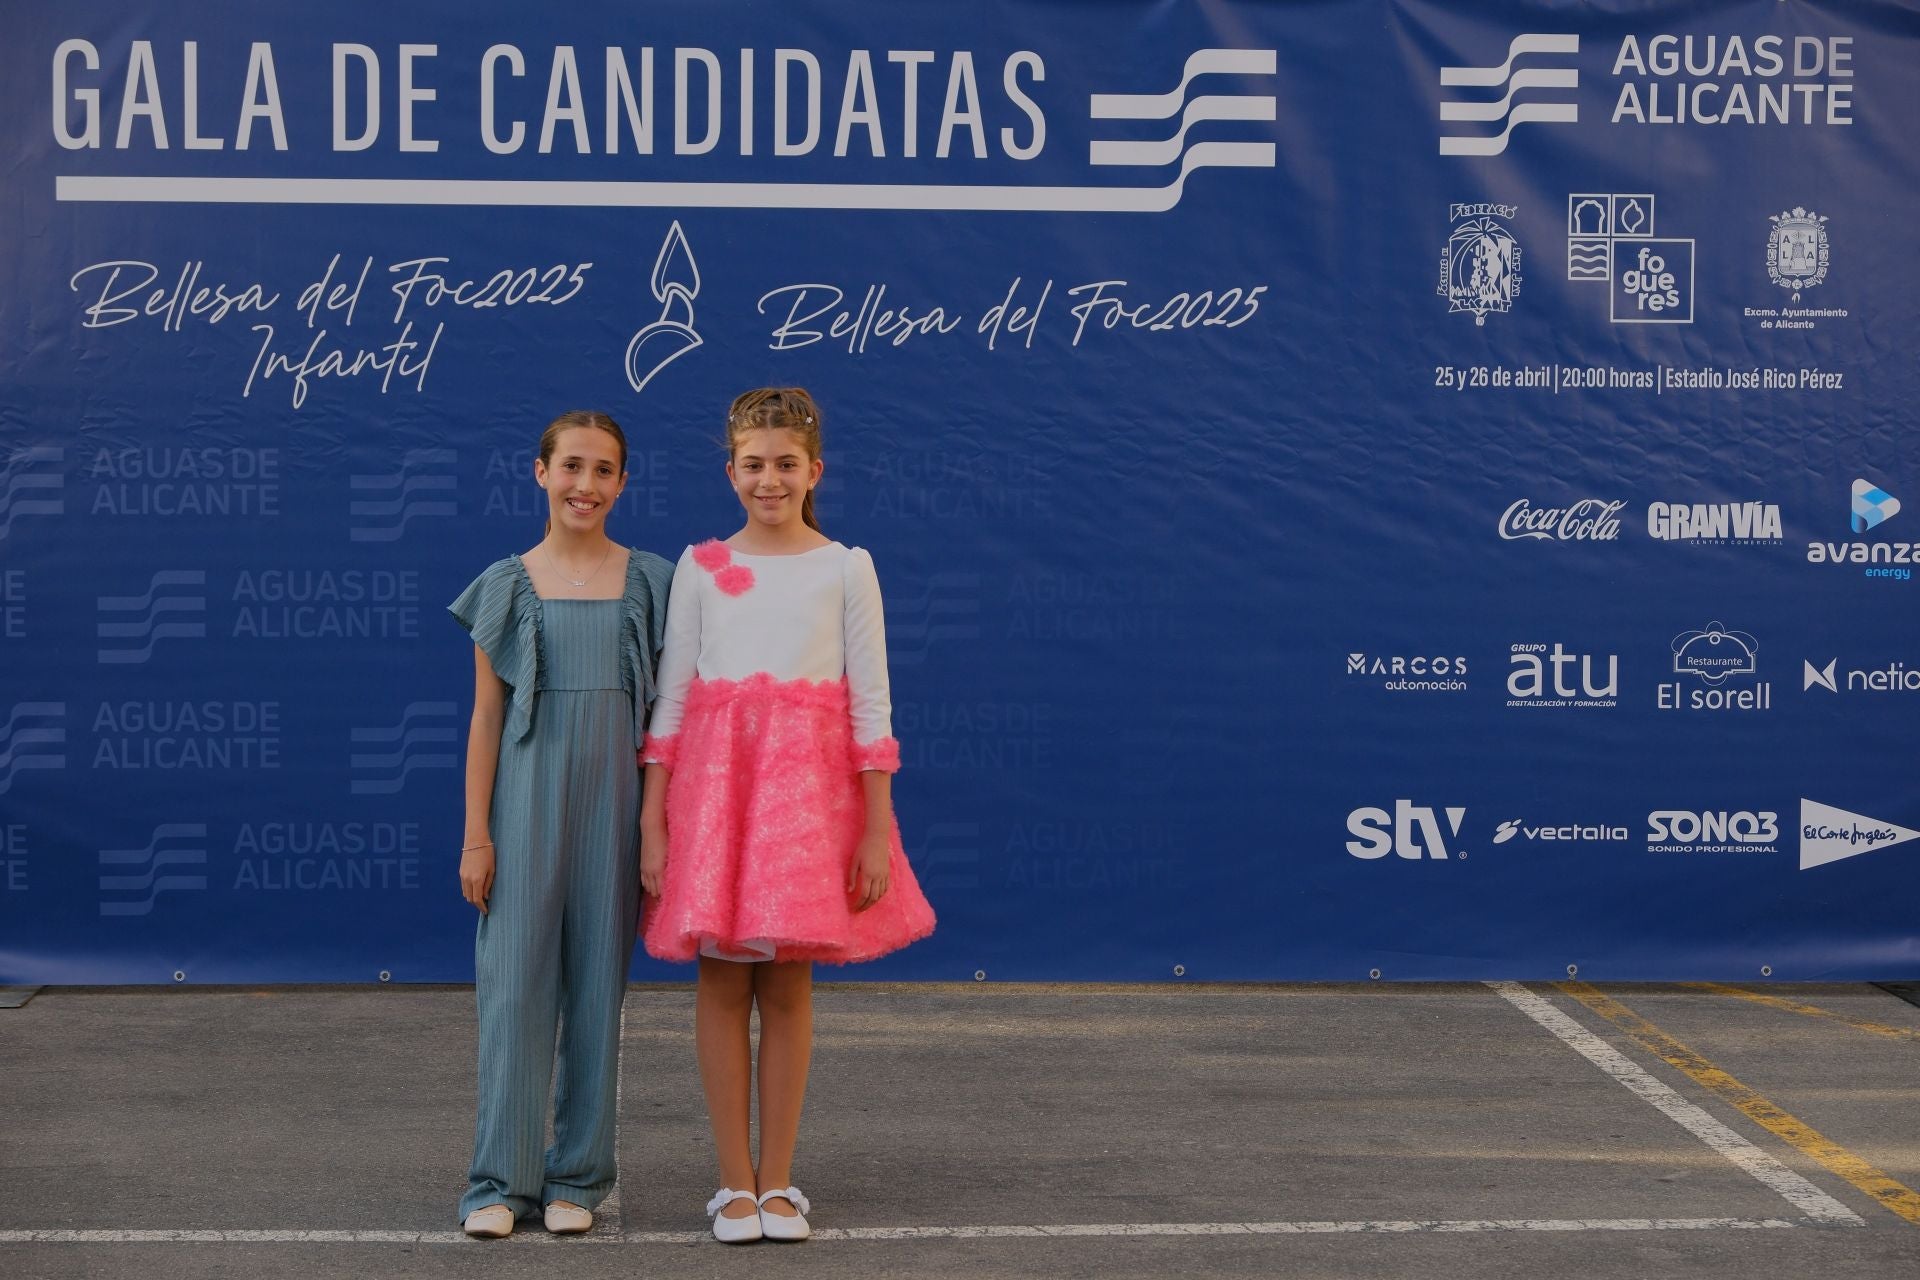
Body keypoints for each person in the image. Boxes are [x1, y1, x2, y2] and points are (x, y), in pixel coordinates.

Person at [639, 386, 936, 1244]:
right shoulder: (700, 565)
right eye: (753, 464)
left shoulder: (847, 566)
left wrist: (876, 826)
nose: (769, 480)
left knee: (792, 988)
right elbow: (673, 696)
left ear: (815, 471)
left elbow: (870, 703)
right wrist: (656, 819)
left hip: (808, 807)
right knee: (724, 980)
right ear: (730, 469)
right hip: (719, 800)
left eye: (786, 465)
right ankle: (732, 1185)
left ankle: (779, 1183)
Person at [449, 410, 674, 1239]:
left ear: (622, 483)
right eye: (571, 466)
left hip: (613, 813)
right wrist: (478, 833)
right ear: (539, 472)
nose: (586, 484)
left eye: (604, 470)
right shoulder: (505, 584)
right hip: (523, 807)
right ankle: (497, 1184)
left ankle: (578, 1177)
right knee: (512, 994)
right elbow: (483, 719)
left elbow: (671, 718)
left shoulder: (653, 580)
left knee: (596, 996)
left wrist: (654, 824)